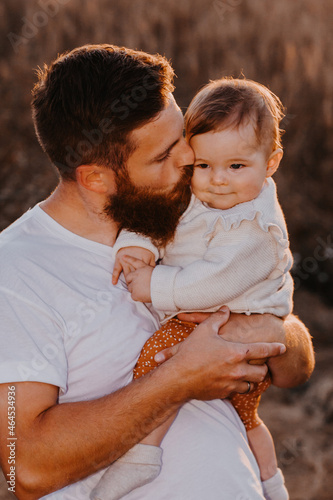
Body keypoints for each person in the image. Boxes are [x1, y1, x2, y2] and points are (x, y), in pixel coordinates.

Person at [0, 45, 314, 500]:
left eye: (183, 136)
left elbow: (295, 370)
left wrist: (272, 331)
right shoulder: (17, 271)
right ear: (96, 179)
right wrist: (179, 379)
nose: (190, 160)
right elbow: (22, 466)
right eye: (164, 155)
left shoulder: (190, 212)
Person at [105, 77, 293, 500]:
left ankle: (142, 453)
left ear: (272, 162)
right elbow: (158, 222)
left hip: (235, 324)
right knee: (248, 421)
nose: (217, 180)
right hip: (219, 322)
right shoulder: (194, 193)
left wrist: (155, 284)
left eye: (236, 166)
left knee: (159, 360)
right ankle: (272, 481)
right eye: (204, 166)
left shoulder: (257, 229)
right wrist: (135, 246)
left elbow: (215, 282)